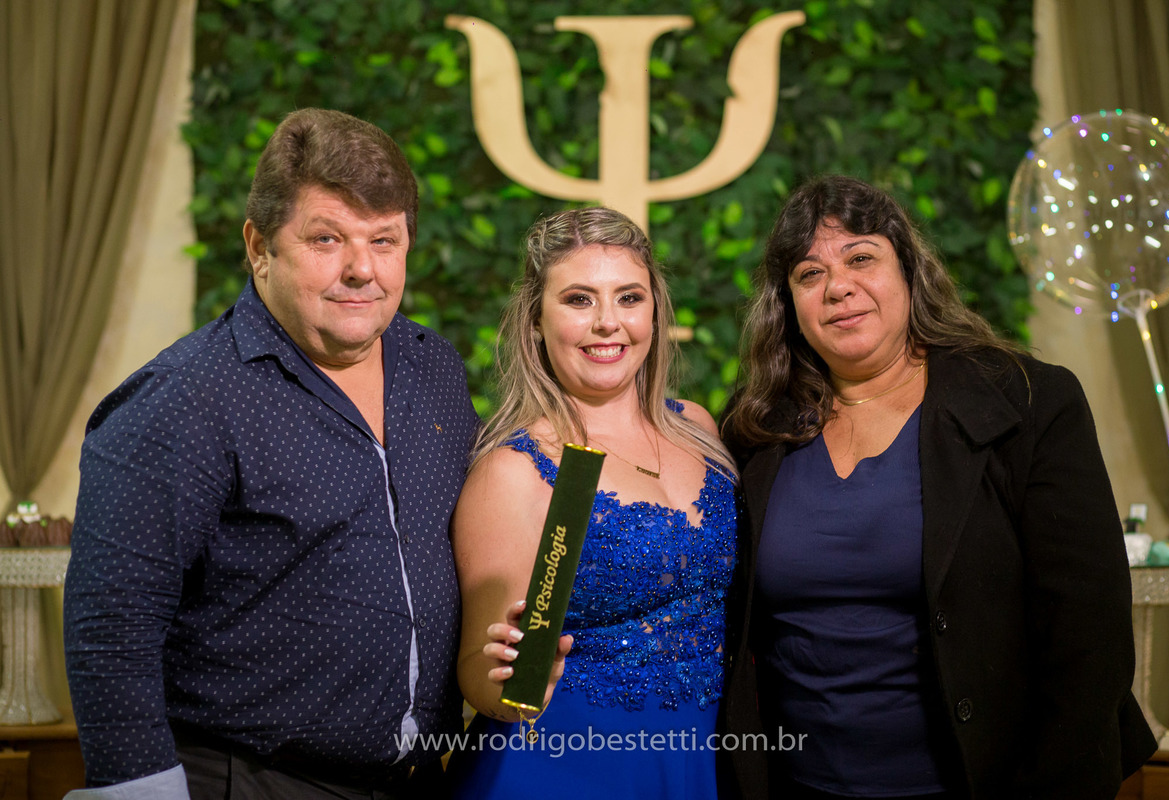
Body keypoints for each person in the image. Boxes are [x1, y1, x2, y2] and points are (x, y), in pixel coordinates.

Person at [63, 108, 478, 799]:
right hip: (246, 781)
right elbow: (112, 626)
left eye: (384, 240)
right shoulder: (184, 399)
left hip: (415, 781)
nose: (361, 269)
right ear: (259, 247)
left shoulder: (432, 368)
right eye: (326, 239)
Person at [718, 175, 1157, 800]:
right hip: (797, 785)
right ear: (787, 304)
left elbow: (1092, 641)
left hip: (986, 784)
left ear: (908, 271)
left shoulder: (1028, 404)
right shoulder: (754, 428)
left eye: (861, 258)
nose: (838, 287)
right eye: (809, 275)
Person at [445, 207, 739, 799]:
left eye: (628, 298)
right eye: (579, 300)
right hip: (558, 768)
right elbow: (480, 669)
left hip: (700, 762)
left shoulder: (699, 429)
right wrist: (504, 674)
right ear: (535, 320)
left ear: (653, 311)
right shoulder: (516, 470)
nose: (608, 323)